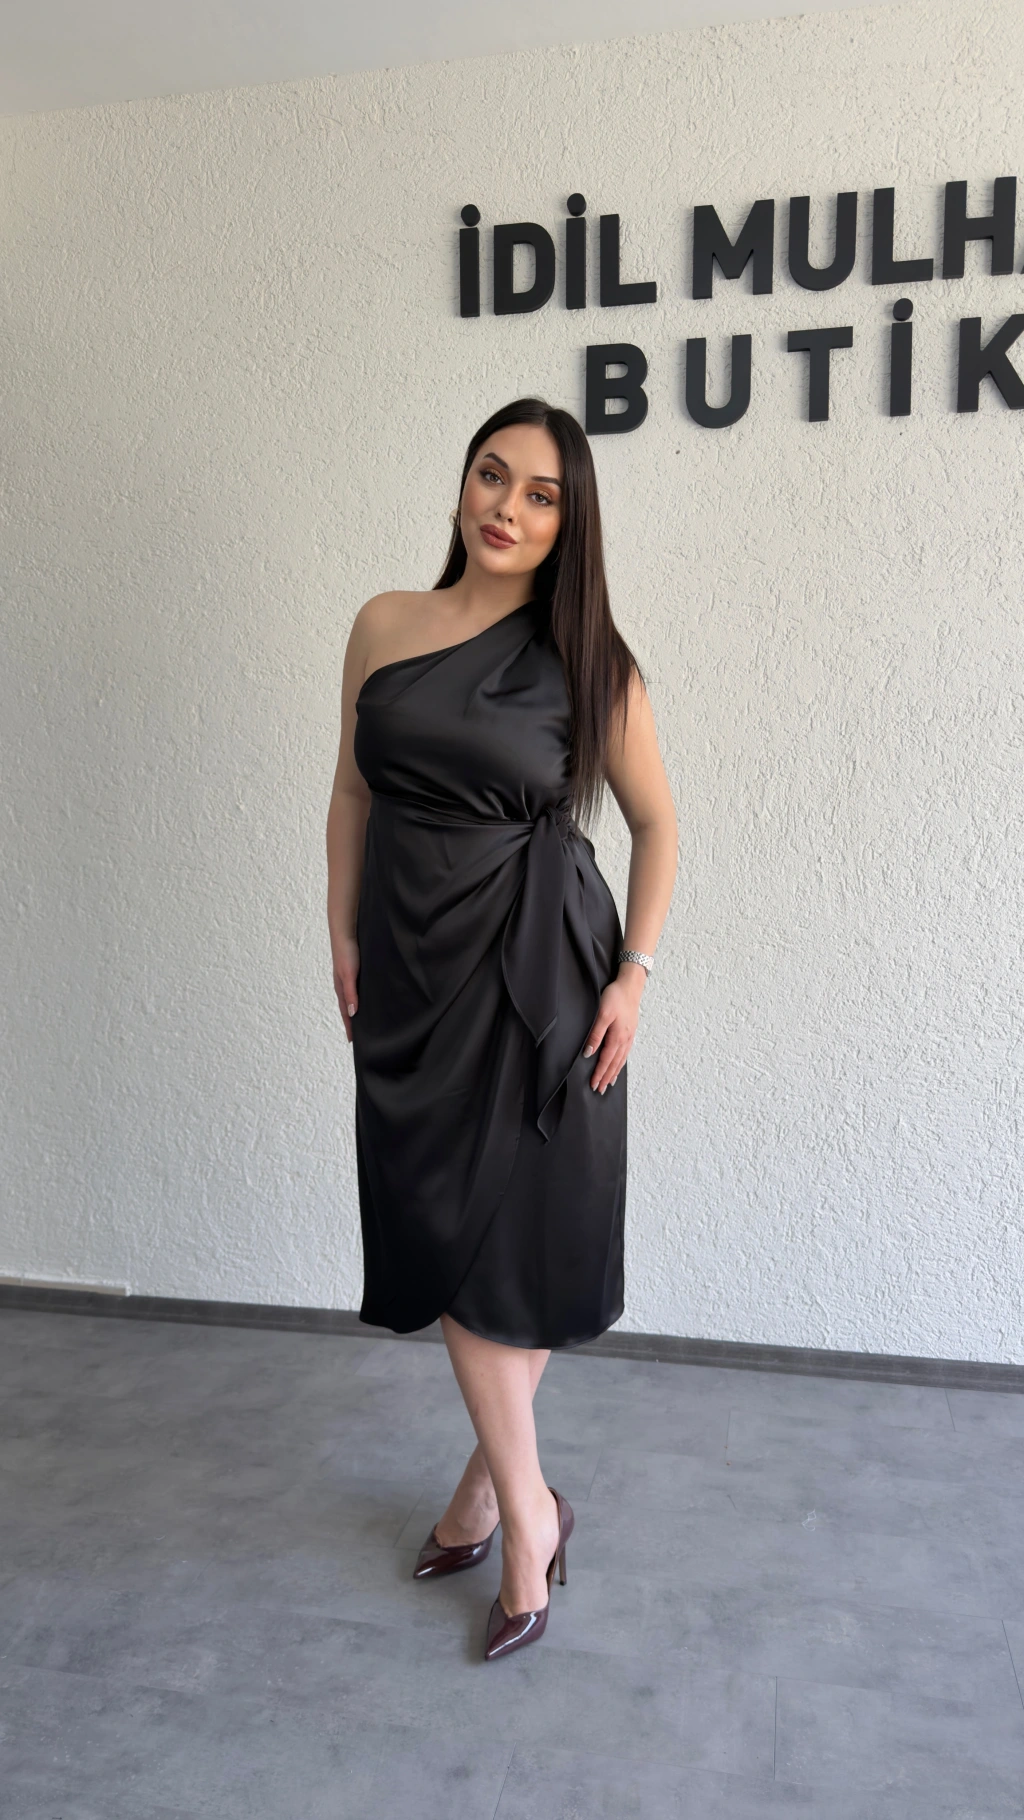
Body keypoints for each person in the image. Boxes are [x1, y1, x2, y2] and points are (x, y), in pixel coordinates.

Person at [326, 397, 678, 1660]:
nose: (506, 507)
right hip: (410, 965)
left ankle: (519, 1514)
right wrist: (341, 928)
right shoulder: (384, 622)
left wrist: (632, 975)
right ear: (463, 482)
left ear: (569, 524)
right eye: (492, 475)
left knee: (505, 1240)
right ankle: (501, 1487)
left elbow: (659, 823)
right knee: (442, 1220)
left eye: (540, 494)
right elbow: (352, 789)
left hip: (542, 971)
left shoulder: (591, 660)